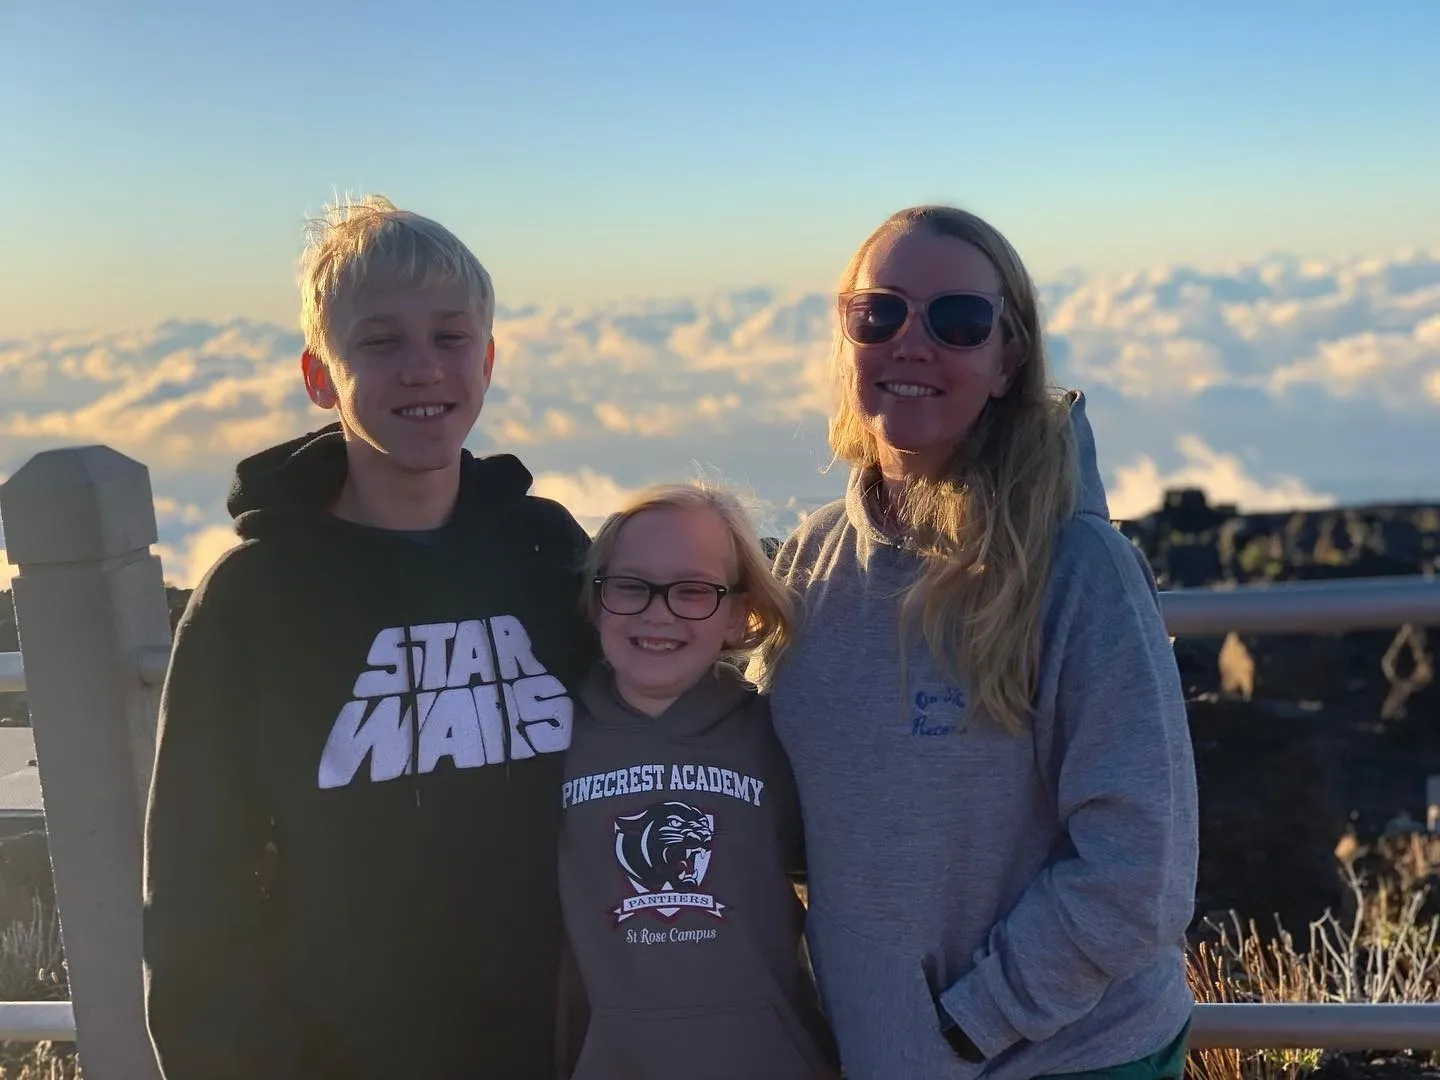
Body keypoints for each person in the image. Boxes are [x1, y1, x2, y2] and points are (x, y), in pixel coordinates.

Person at [142, 195, 597, 1079]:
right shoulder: (257, 599)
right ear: (321, 375)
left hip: (570, 1049)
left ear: (491, 358)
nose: (423, 369)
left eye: (452, 337)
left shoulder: (549, 555)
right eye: (381, 341)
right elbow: (196, 888)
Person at [748, 205, 1199, 1080]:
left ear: (1007, 361)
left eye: (958, 321)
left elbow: (1139, 869)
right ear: (847, 340)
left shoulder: (1076, 567)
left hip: (1064, 1058)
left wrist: (972, 1024)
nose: (911, 342)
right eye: (879, 313)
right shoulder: (808, 564)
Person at [557, 482, 838, 1079]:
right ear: (596, 601)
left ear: (740, 614)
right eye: (631, 586)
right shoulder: (551, 744)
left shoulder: (777, 738)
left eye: (692, 591)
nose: (658, 612)